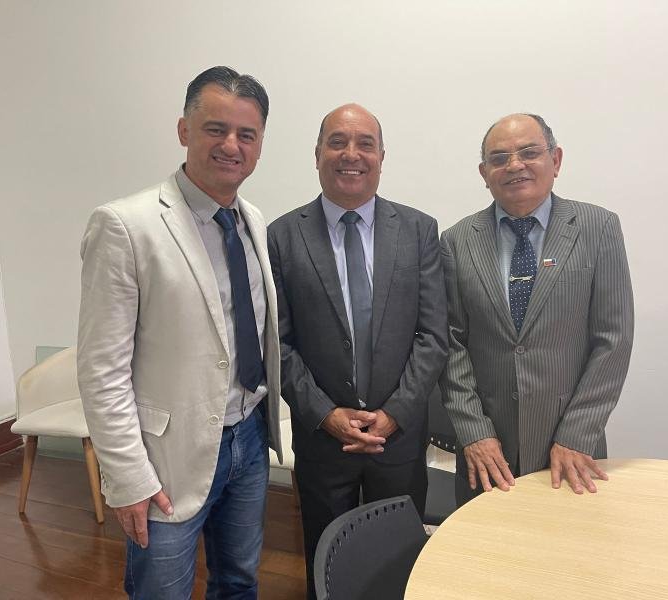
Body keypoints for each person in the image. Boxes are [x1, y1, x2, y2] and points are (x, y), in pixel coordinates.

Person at [77, 66, 281, 599]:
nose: (231, 145)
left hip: (249, 438)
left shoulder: (253, 220)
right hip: (166, 458)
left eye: (246, 134)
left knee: (239, 582)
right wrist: (127, 478)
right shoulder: (125, 225)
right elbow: (101, 371)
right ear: (183, 130)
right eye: (216, 128)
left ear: (260, 145)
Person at [267, 103, 448, 599]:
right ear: (317, 155)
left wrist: (395, 414)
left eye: (365, 143)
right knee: (326, 565)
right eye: (337, 142)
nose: (351, 154)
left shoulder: (418, 230)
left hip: (399, 439)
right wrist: (325, 415)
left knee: (398, 563)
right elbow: (278, 343)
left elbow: (433, 335)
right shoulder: (282, 236)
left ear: (382, 157)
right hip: (324, 442)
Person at [440, 113, 633, 505]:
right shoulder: (457, 241)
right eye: (499, 158)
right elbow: (450, 345)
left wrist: (576, 435)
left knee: (573, 542)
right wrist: (475, 432)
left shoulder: (598, 228)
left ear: (555, 160)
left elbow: (613, 340)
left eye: (529, 153)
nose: (515, 166)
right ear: (484, 173)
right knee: (484, 543)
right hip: (487, 454)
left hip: (571, 453)